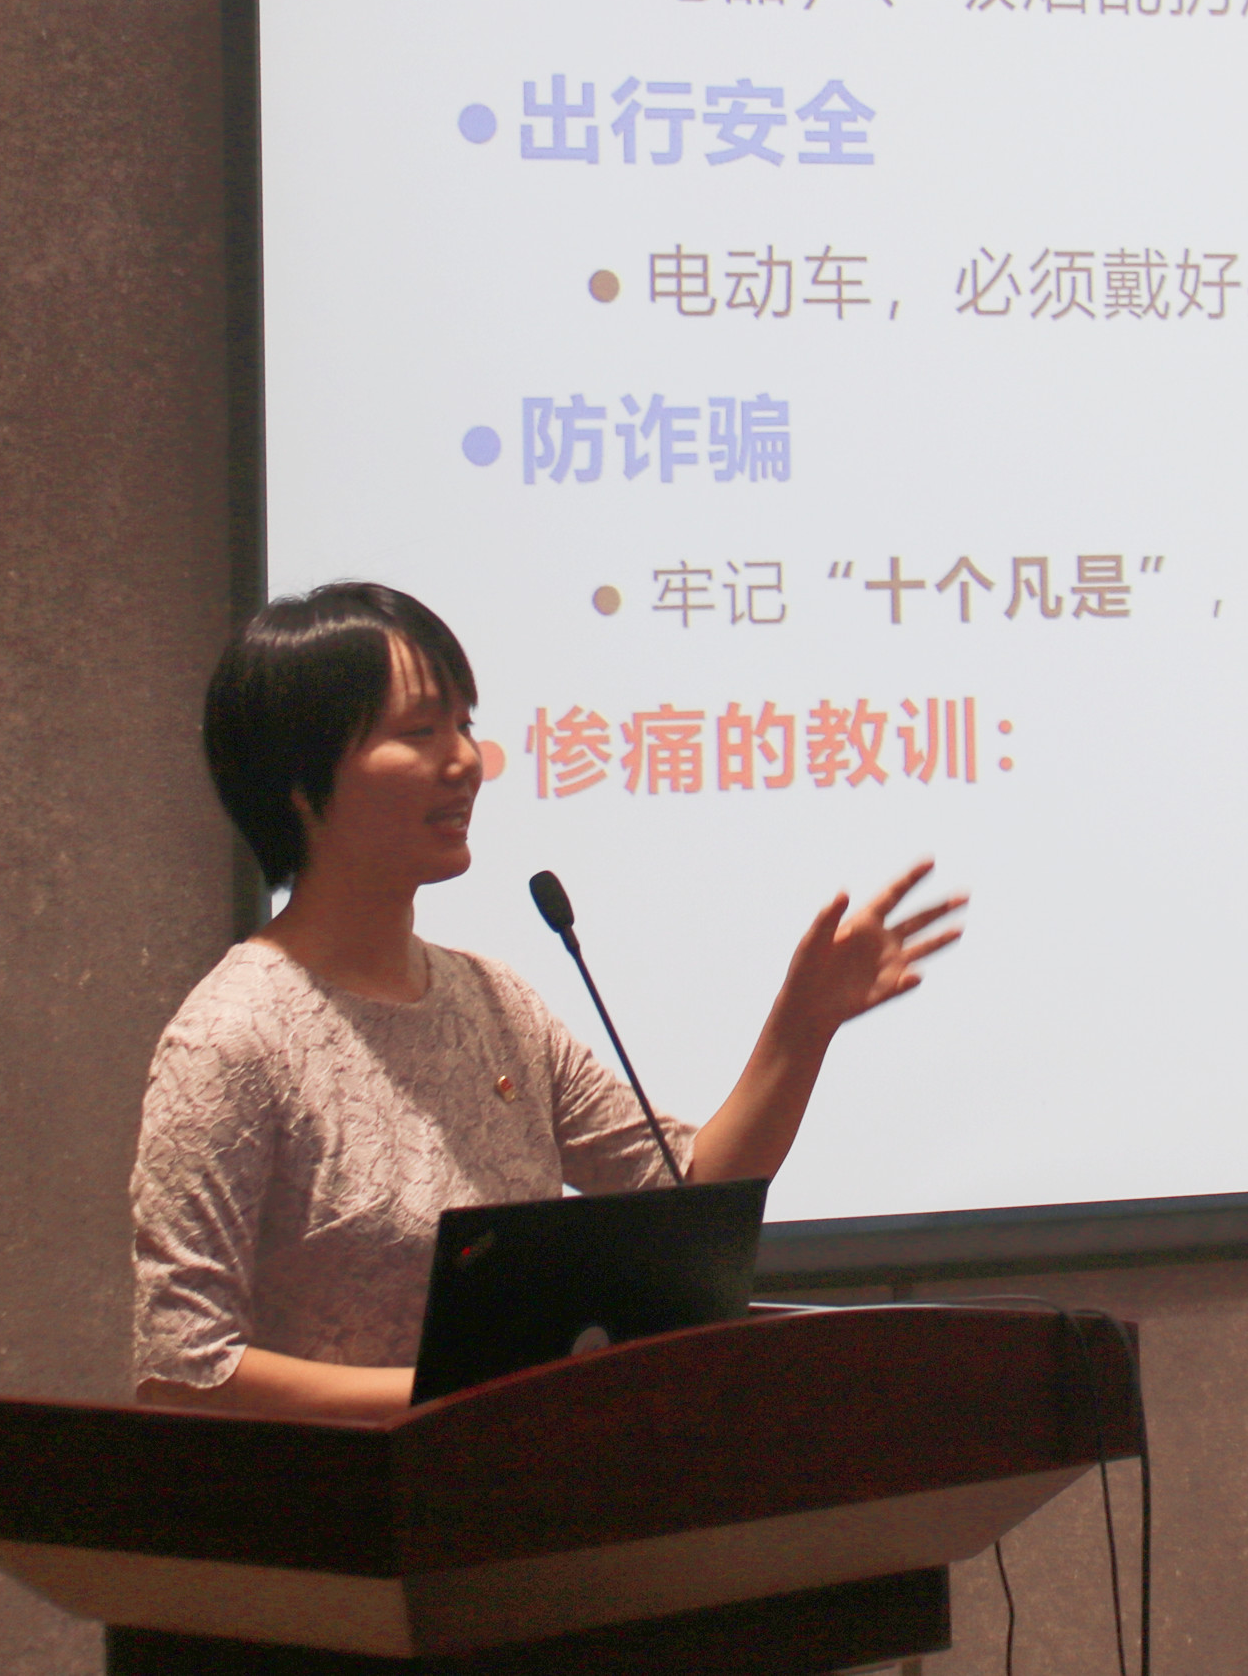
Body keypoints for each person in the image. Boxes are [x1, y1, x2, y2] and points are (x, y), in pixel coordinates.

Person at [129, 582, 963, 1421]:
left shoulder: (493, 1003)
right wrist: (467, 1396)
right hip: (349, 1496)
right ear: (298, 780)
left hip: (519, 1477)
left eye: (465, 725)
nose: (465, 760)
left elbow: (684, 1189)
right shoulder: (233, 1039)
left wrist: (802, 1028)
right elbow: (183, 1367)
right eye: (419, 732)